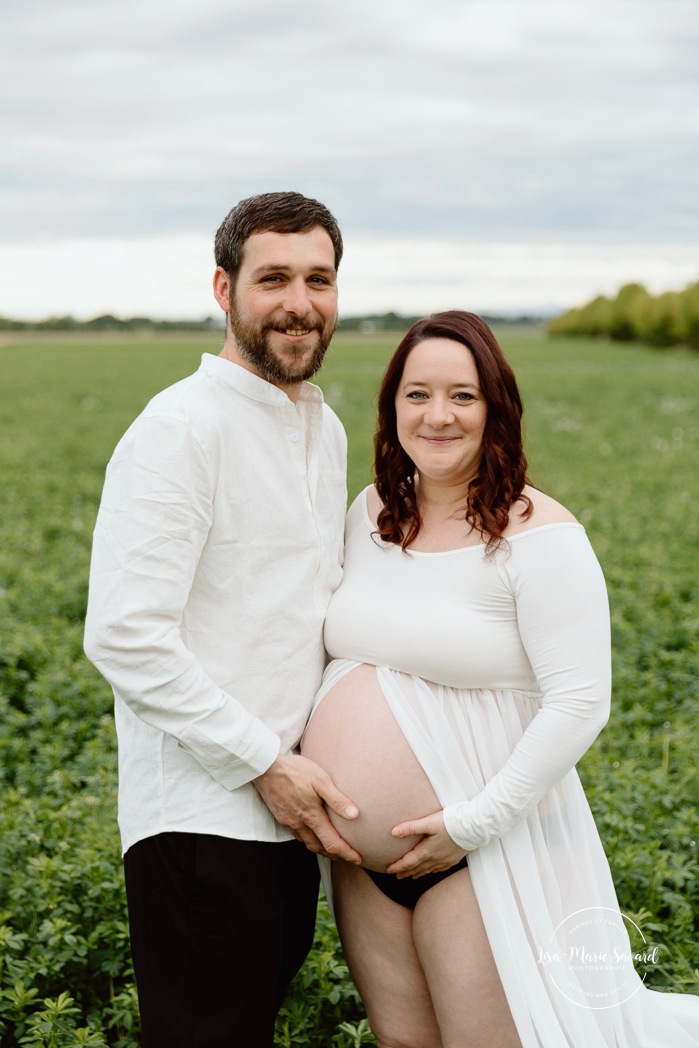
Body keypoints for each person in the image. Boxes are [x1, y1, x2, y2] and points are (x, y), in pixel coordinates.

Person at [302, 310, 699, 1047]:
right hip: (363, 868)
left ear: (496, 409)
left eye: (463, 395)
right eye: (417, 394)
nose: (438, 415)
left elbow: (581, 701)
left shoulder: (540, 534)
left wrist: (471, 824)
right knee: (401, 1041)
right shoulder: (370, 513)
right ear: (392, 408)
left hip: (486, 849)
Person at [83, 190, 362, 1048]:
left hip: (290, 815)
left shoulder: (324, 429)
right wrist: (262, 761)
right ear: (223, 288)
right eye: (272, 278)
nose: (299, 303)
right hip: (201, 819)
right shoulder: (180, 428)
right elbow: (124, 633)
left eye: (318, 279)